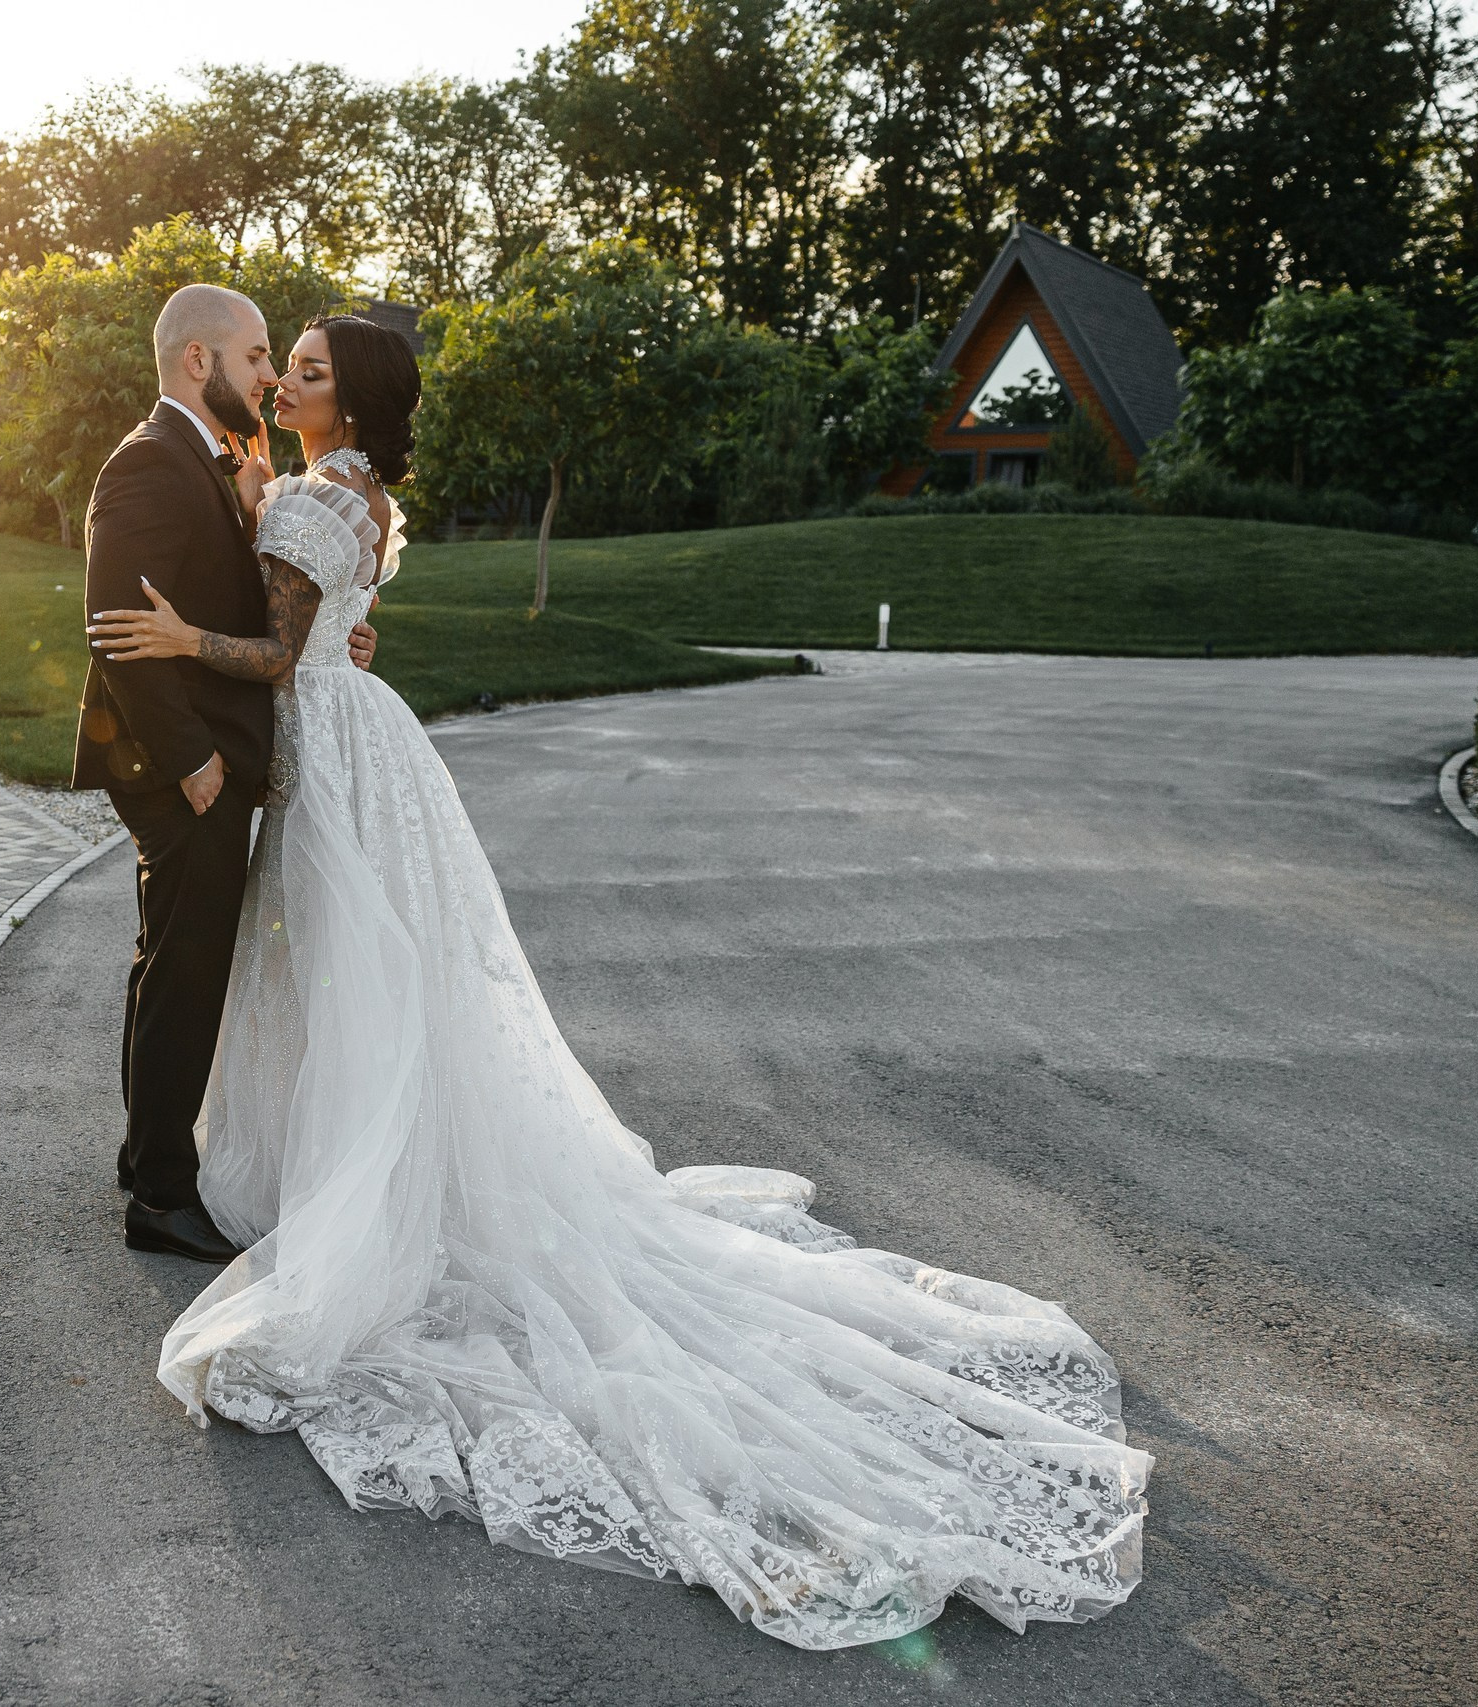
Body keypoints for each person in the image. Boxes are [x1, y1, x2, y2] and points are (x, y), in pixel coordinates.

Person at [85, 313, 1151, 1652]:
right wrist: (283, 559)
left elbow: (282, 652)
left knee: (355, 977)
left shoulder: (314, 491)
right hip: (348, 748)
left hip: (336, 759)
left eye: (303, 369)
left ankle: (355, 1179)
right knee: (352, 979)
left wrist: (183, 637)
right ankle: (321, 1163)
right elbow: (332, 618)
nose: (282, 380)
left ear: (343, 401)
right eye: (278, 363)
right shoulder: (325, 486)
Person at [72, 283, 375, 1264]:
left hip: (206, 757)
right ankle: (162, 1197)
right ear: (197, 360)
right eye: (255, 356)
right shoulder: (148, 462)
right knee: (187, 971)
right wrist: (191, 760)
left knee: (169, 960)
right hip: (180, 765)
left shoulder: (214, 458)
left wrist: (334, 629)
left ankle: (146, 1162)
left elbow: (251, 600)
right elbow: (117, 628)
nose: (269, 374)